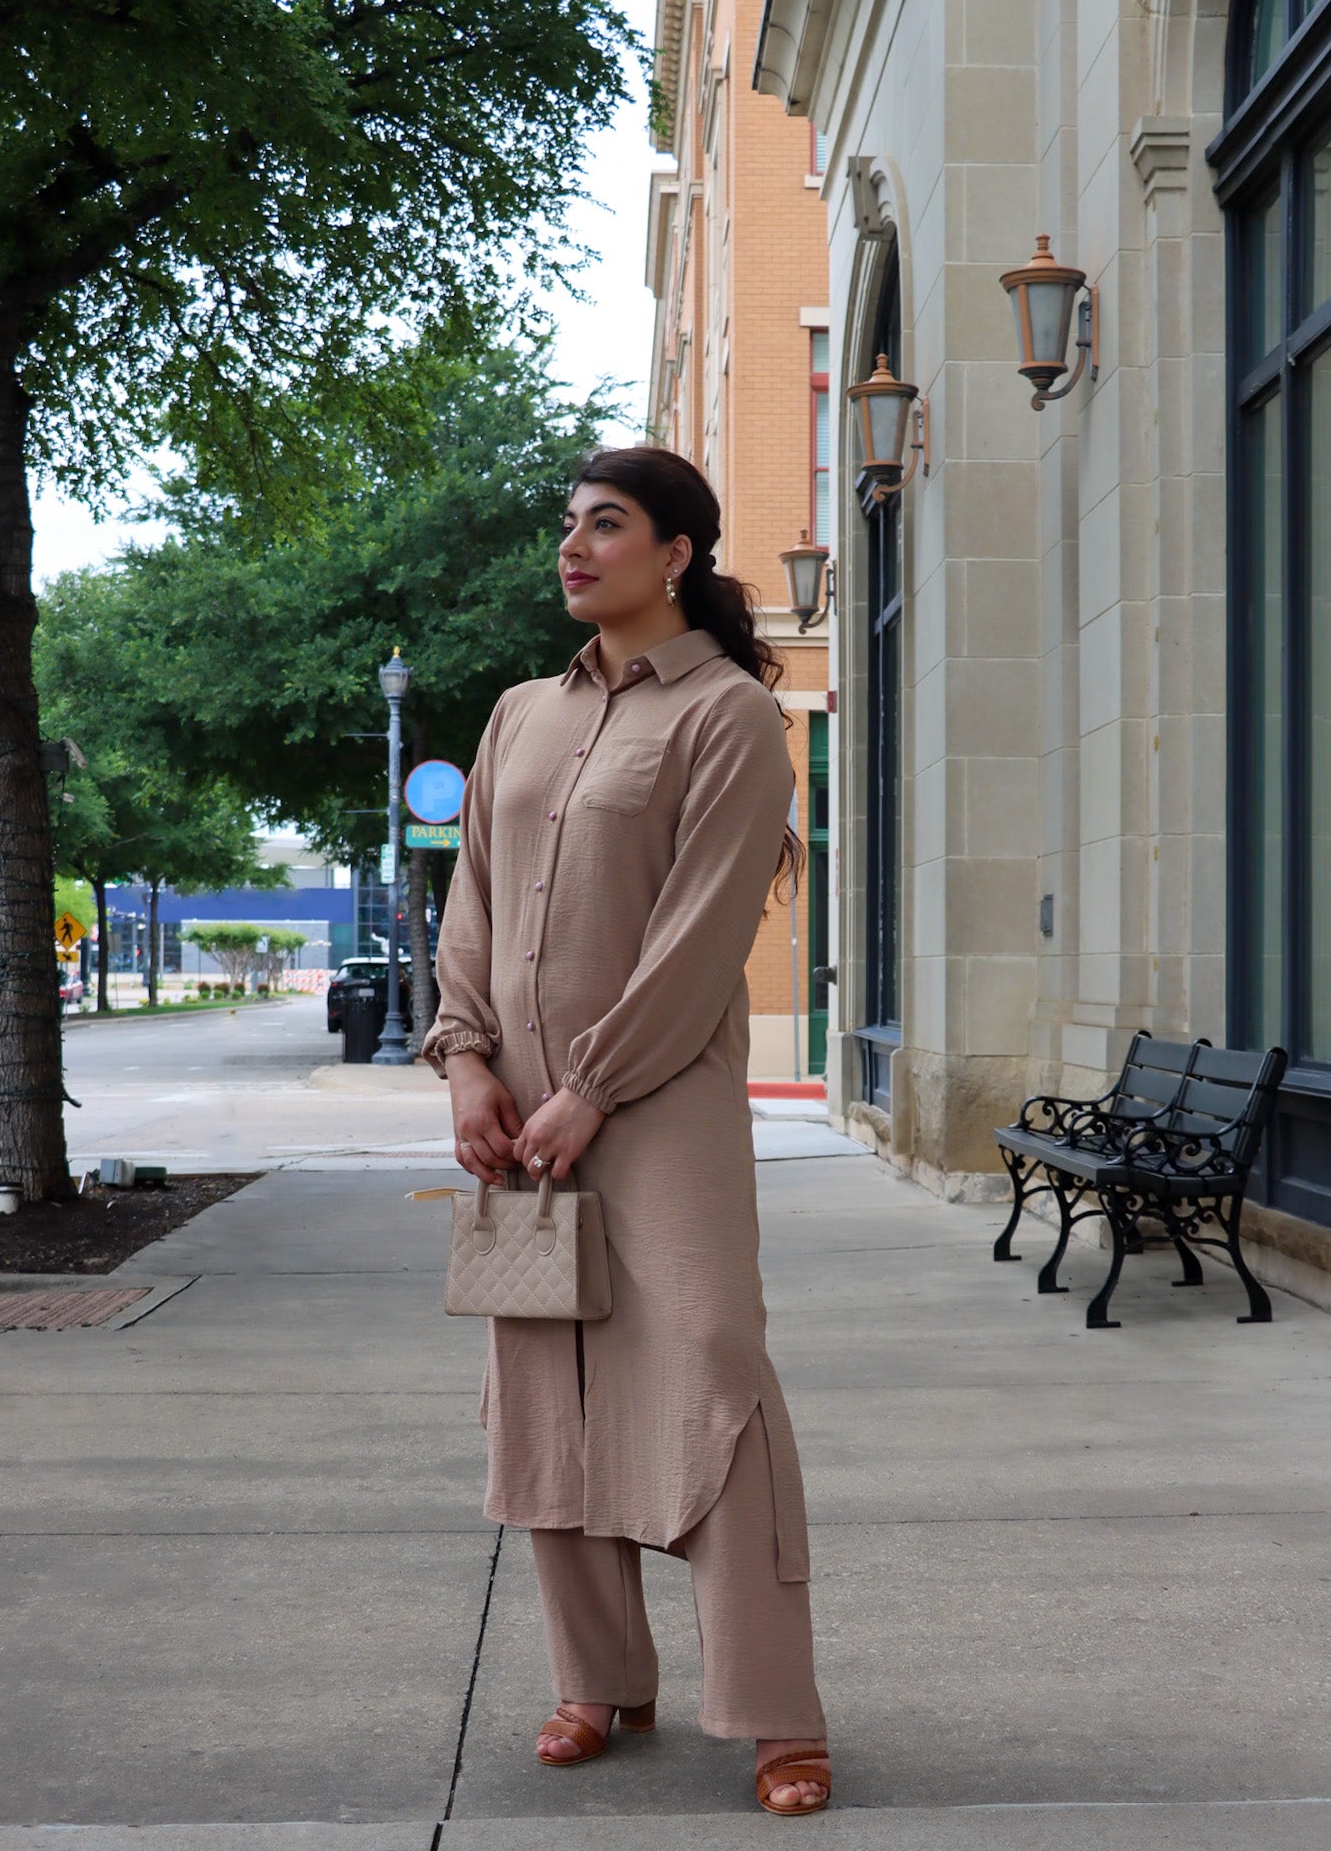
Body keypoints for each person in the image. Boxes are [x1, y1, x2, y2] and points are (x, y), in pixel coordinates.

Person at [422, 445, 831, 1817]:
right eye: (565, 526)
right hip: (516, 1123)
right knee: (545, 1389)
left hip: (655, 1110)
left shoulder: (724, 719)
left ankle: (774, 1710)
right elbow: (469, 899)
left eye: (605, 525)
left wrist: (589, 1089)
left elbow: (701, 937)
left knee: (712, 1368)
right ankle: (599, 1681)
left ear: (676, 555)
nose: (571, 547)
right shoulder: (517, 716)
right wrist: (467, 1064)